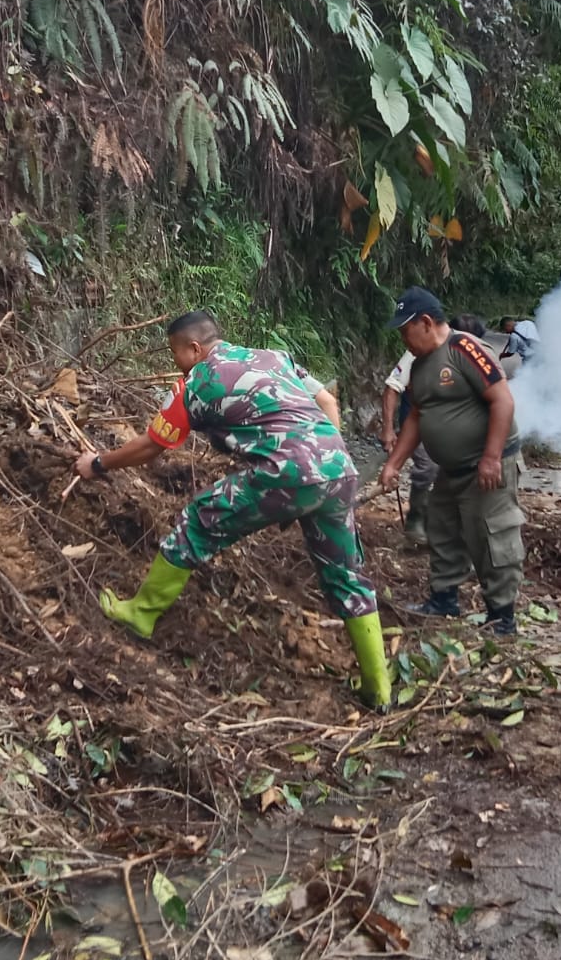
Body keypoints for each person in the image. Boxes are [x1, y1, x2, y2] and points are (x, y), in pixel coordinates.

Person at [71, 311, 391, 708]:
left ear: (194, 348)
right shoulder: (275, 357)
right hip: (339, 468)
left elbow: (153, 445)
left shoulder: (196, 383)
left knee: (197, 519)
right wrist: (322, 463)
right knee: (345, 573)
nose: (177, 363)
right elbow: (326, 399)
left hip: (286, 471)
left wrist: (98, 463)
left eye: (177, 354)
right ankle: (379, 687)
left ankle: (140, 612)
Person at [379, 288, 526, 636]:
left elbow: (502, 401)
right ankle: (444, 600)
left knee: (491, 536)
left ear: (427, 323)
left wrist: (490, 458)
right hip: (453, 468)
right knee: (442, 526)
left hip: (487, 466)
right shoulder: (420, 363)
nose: (403, 339)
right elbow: (417, 415)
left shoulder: (465, 349)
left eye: (405, 331)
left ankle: (502, 617)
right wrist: (394, 463)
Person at [380, 349, 437, 545]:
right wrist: (387, 429)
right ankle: (416, 520)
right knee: (428, 468)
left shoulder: (465, 354)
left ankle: (437, 524)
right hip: (416, 425)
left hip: (449, 429)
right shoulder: (416, 352)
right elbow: (392, 387)